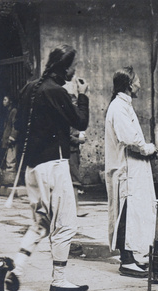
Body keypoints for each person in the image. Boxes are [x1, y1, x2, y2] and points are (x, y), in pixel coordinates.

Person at [7, 44, 89, 291]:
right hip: (54, 166)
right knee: (65, 225)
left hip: (33, 169)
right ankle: (59, 280)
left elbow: (26, 125)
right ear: (64, 68)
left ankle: (17, 270)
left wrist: (66, 138)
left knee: (41, 223)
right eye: (73, 68)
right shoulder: (58, 91)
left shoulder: (31, 87)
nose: (75, 73)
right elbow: (80, 121)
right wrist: (83, 95)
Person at [105, 66, 157, 278]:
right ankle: (127, 260)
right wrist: (148, 148)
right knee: (126, 212)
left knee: (134, 213)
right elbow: (130, 139)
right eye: (137, 81)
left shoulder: (123, 105)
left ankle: (133, 257)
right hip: (126, 169)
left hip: (132, 168)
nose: (140, 85)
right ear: (128, 84)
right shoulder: (118, 107)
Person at [63, 78, 87, 218]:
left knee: (73, 181)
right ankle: (75, 209)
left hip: (74, 151)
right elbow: (67, 136)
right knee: (74, 181)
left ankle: (72, 208)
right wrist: (78, 140)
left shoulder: (74, 118)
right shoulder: (67, 118)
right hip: (70, 151)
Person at [0, 95, 18, 174]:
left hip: (11, 139)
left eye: (5, 100)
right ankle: (6, 178)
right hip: (7, 137)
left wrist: (12, 137)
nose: (3, 101)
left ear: (10, 101)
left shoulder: (14, 111)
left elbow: (15, 125)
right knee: (7, 158)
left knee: (11, 159)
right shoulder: (8, 111)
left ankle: (10, 178)